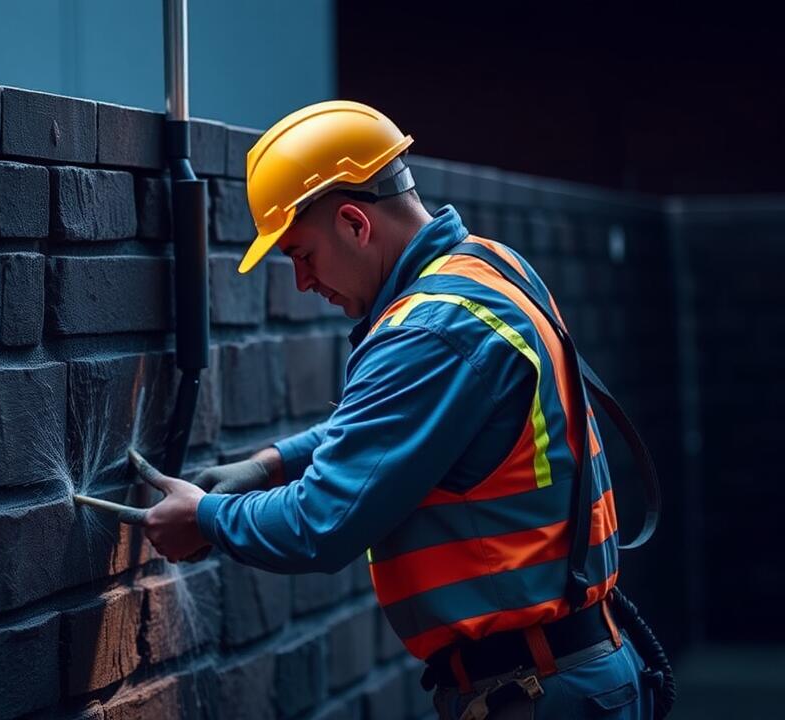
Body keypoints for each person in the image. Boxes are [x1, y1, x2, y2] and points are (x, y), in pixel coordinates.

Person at [126, 101, 668, 719]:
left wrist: (208, 518)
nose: (303, 281)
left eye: (302, 254)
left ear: (356, 223)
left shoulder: (429, 330)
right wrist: (271, 464)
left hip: (536, 690)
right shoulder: (487, 268)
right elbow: (406, 425)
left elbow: (323, 525)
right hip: (565, 673)